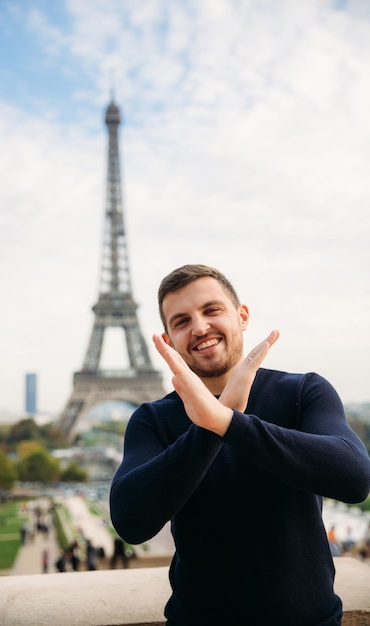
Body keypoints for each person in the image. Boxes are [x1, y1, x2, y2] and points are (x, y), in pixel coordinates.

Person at [110, 264, 370, 626]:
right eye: (181, 321)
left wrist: (229, 423)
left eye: (211, 310)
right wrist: (211, 427)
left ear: (242, 316)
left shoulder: (303, 392)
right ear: (168, 340)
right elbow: (130, 522)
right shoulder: (152, 419)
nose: (200, 327)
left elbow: (355, 477)